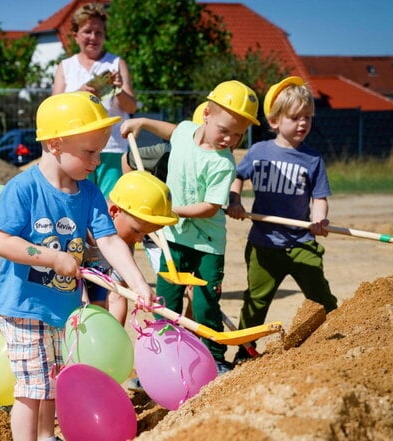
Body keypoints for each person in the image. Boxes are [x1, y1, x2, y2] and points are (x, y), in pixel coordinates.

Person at [0, 91, 155, 441]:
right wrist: (52, 257)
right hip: (23, 307)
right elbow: (1, 241)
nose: (97, 161)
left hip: (63, 307)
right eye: (89, 152)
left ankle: (47, 435)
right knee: (32, 388)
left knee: (53, 377)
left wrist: (139, 284)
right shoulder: (23, 188)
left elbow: (109, 241)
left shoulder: (90, 193)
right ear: (54, 144)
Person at [120, 80, 261, 375]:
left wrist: (169, 211)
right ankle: (162, 356)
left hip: (208, 245)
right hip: (174, 238)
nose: (229, 140)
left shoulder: (223, 164)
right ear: (207, 114)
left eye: (238, 135)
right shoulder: (186, 133)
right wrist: (142, 122)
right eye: (225, 130)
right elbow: (173, 130)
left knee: (206, 302)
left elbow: (209, 208)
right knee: (167, 300)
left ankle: (215, 359)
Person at [226, 76, 338, 363]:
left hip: (302, 243)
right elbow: (237, 177)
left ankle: (338, 338)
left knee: (321, 299)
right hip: (264, 243)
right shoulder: (258, 152)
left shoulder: (312, 159)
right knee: (255, 302)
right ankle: (245, 352)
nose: (303, 123)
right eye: (295, 117)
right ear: (275, 121)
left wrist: (319, 220)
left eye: (308, 118)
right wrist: (235, 201)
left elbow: (320, 197)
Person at [52, 2, 136, 201]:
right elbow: (54, 108)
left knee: (110, 204)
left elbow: (131, 107)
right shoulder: (66, 66)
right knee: (78, 201)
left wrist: (117, 89)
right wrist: (79, 93)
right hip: (75, 150)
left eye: (99, 32)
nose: (93, 37)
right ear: (75, 34)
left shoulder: (116, 63)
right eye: (87, 31)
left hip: (112, 147)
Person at [82, 170, 178, 325]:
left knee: (99, 307)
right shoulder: (79, 230)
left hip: (96, 292)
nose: (139, 239)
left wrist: (114, 336)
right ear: (114, 212)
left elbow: (117, 296)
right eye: (136, 231)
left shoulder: (125, 242)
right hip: (61, 296)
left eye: (146, 234)